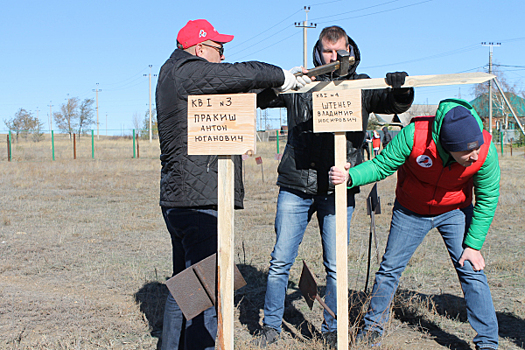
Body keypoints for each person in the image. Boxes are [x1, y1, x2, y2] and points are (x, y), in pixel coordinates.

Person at [252, 25, 414, 347]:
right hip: (296, 184)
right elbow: (262, 100)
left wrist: (401, 89)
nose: (334, 57)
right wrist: (279, 80)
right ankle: (271, 325)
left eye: (340, 50)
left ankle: (330, 329)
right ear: (319, 53)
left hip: (338, 186)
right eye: (328, 51)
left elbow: (394, 104)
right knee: (280, 259)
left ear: (350, 51)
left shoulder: (362, 86)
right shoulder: (302, 85)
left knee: (336, 265)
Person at [156, 19, 312, 350]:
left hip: (184, 196)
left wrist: (283, 88)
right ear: (199, 48)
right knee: (205, 293)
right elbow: (242, 74)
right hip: (197, 201)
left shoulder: (181, 75)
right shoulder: (186, 71)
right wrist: (280, 74)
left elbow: (244, 91)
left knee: (186, 288)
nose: (224, 56)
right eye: (219, 48)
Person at [329, 99, 500, 350]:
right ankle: (372, 329)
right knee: (389, 269)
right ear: (448, 146)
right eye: (467, 151)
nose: (474, 156)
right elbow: (381, 164)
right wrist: (351, 176)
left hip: (455, 210)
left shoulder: (484, 150)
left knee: (471, 269)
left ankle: (487, 342)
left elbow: (487, 198)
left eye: (477, 149)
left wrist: (473, 245)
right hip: (410, 210)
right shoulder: (414, 136)